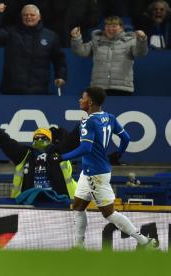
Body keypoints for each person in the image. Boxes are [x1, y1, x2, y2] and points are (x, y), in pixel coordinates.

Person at [56, 87, 158, 249]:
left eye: (82, 98)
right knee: (78, 206)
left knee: (109, 213)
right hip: (90, 172)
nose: (79, 100)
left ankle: (145, 242)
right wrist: (118, 154)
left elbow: (85, 149)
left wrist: (62, 157)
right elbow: (126, 138)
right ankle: (78, 246)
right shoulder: (109, 117)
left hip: (95, 174)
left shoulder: (88, 122)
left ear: (90, 102)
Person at [0, 3, 67, 95]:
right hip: (12, 90)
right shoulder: (11, 33)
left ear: (39, 17)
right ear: (21, 17)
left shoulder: (50, 36)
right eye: (25, 15)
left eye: (32, 15)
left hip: (39, 91)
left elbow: (59, 60)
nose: (29, 17)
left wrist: (61, 76)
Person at [0, 122, 77, 200]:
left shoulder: (58, 152)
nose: (39, 140)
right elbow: (7, 144)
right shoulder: (25, 154)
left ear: (50, 140)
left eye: (43, 137)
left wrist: (81, 126)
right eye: (36, 138)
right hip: (30, 200)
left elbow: (71, 141)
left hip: (58, 199)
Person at [71, 16, 148, 96]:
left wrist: (142, 40)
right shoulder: (97, 41)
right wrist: (76, 38)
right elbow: (81, 52)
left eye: (114, 26)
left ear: (121, 28)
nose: (110, 29)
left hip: (122, 89)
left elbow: (140, 53)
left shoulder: (130, 41)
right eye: (107, 26)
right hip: (98, 89)